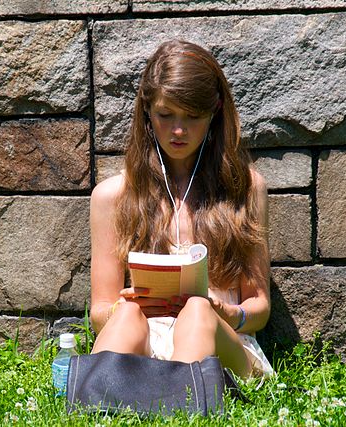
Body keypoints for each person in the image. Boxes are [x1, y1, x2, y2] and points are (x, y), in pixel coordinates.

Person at [89, 40, 273, 378]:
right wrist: (128, 304)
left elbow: (259, 307)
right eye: (165, 115)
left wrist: (231, 315)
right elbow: (99, 311)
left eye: (192, 117)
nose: (178, 130)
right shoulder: (112, 196)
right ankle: (97, 398)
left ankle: (183, 403)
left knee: (197, 312)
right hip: (145, 338)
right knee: (127, 315)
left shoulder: (244, 189)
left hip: (221, 341)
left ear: (215, 112)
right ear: (147, 111)